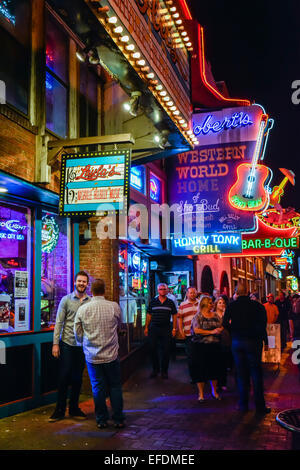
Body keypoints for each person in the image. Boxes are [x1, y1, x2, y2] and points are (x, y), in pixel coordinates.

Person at [74, 278, 125, 429]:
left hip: (92, 355)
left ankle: (101, 419)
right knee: (115, 386)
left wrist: (83, 343)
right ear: (104, 290)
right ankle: (118, 418)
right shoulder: (114, 306)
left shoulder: (83, 309)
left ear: (92, 291)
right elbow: (119, 325)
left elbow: (77, 332)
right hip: (111, 354)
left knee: (97, 388)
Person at [49, 271, 91, 422]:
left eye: (84, 282)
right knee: (64, 376)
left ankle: (74, 408)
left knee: (78, 377)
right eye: (79, 281)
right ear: (75, 282)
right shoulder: (66, 300)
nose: (81, 284)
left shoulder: (90, 302)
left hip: (82, 346)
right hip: (67, 343)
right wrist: (55, 344)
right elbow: (59, 322)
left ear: (87, 284)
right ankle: (59, 410)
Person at [223, 283, 270, 414]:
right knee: (256, 373)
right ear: (248, 292)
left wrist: (234, 331)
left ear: (236, 292)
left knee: (241, 373)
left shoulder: (232, 306)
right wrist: (263, 340)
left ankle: (243, 404)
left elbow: (224, 323)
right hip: (254, 342)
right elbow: (263, 325)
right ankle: (260, 406)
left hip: (238, 341)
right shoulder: (258, 306)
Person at [190, 296, 223, 402]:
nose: (212, 304)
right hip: (201, 346)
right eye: (209, 303)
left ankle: (214, 391)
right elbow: (196, 330)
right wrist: (211, 332)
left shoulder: (215, 316)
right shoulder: (198, 316)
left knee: (214, 369)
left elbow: (222, 325)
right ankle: (201, 394)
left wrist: (219, 329)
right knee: (201, 370)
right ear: (204, 304)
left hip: (214, 346)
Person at [144, 283, 177, 379]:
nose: (162, 291)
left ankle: (164, 371)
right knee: (153, 349)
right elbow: (149, 315)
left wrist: (174, 328)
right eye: (160, 289)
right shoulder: (153, 301)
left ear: (167, 291)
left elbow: (174, 315)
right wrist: (146, 327)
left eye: (164, 289)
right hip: (154, 328)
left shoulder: (170, 302)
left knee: (166, 350)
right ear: (158, 291)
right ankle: (155, 369)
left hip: (166, 328)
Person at [177, 287, 199, 380]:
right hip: (188, 334)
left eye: (194, 292)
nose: (192, 294)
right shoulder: (182, 305)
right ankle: (193, 376)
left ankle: (200, 375)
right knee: (191, 356)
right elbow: (179, 318)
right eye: (190, 293)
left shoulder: (200, 303)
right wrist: (181, 331)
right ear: (187, 294)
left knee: (200, 355)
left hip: (200, 334)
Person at [214, 296, 232, 391]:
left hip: (226, 339)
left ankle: (223, 382)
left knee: (224, 362)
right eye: (219, 303)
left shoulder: (227, 314)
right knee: (217, 362)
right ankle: (217, 383)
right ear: (216, 305)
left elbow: (230, 325)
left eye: (223, 303)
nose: (222, 304)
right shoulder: (213, 315)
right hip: (216, 340)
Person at [289, 294, 300, 381]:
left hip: (296, 336)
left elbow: (291, 325)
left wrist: (292, 335)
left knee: (297, 358)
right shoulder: (291, 313)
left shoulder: (291, 313)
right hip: (296, 335)